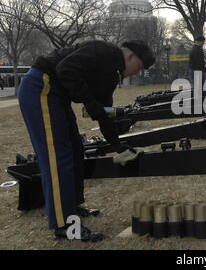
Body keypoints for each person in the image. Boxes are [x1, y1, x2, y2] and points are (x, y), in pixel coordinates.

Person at [18, 39, 154, 242]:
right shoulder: (102, 50)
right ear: (131, 56)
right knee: (58, 157)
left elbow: (103, 113)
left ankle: (72, 206)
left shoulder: (111, 75)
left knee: (75, 149)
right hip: (40, 86)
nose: (137, 72)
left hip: (57, 96)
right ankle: (65, 225)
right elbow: (65, 69)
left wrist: (117, 145)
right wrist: (91, 104)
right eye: (139, 67)